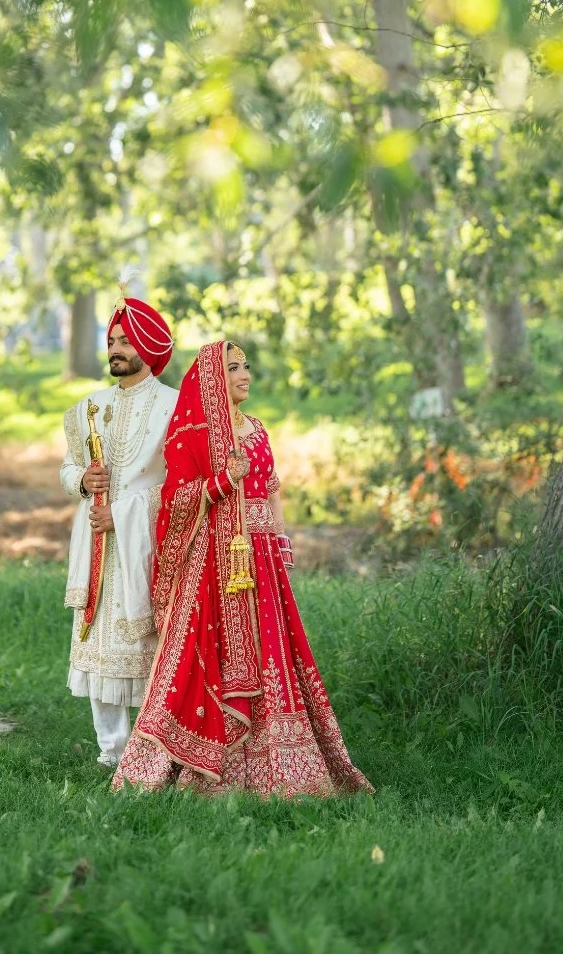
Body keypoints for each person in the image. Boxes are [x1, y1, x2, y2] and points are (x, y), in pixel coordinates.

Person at [112, 339, 373, 797]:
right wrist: (221, 479)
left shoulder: (257, 428)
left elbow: (272, 489)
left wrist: (281, 544)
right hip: (213, 561)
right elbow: (174, 500)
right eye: (234, 368)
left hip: (263, 562)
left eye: (247, 366)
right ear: (215, 378)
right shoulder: (195, 433)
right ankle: (190, 767)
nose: (245, 374)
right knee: (201, 661)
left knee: (275, 653)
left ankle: (284, 767)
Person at [60, 288, 178, 767]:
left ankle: (155, 748)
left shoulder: (174, 408)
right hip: (97, 547)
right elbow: (67, 468)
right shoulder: (89, 407)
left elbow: (180, 486)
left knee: (149, 645)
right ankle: (112, 752)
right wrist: (83, 482)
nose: (115, 349)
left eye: (126, 341)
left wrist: (128, 511)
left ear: (149, 348)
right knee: (100, 645)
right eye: (111, 340)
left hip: (147, 547)